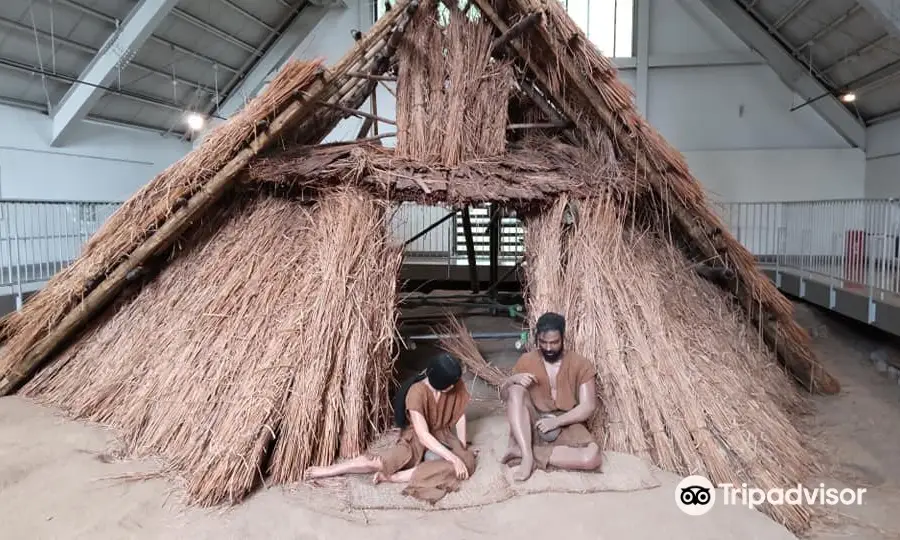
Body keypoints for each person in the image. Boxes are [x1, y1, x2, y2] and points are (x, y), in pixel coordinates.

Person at [304, 352, 476, 503]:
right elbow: (423, 435)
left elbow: (460, 414)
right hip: (415, 438)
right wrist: (453, 458)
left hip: (442, 435)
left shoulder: (455, 383)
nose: (455, 387)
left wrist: (461, 448)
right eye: (451, 385)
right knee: (383, 462)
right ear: (439, 381)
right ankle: (329, 470)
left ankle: (396, 478)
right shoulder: (417, 392)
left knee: (467, 464)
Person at [500, 312, 603, 481]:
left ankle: (522, 451)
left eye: (554, 342)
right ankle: (527, 456)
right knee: (516, 390)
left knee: (591, 458)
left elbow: (588, 406)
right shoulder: (526, 360)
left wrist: (556, 422)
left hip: (568, 421)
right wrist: (512, 380)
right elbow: (507, 397)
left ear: (563, 338)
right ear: (537, 339)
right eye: (543, 342)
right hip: (533, 420)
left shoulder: (580, 364)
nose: (548, 348)